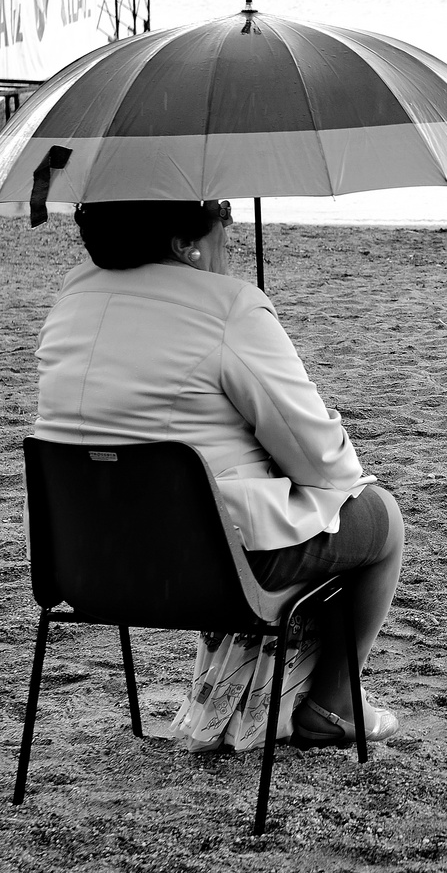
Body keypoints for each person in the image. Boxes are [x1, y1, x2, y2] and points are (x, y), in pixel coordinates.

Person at [33, 199, 402, 748]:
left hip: (83, 567)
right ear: (187, 244)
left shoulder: (70, 298)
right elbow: (321, 460)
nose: (228, 224)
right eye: (221, 211)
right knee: (381, 518)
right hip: (208, 572)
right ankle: (333, 703)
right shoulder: (230, 308)